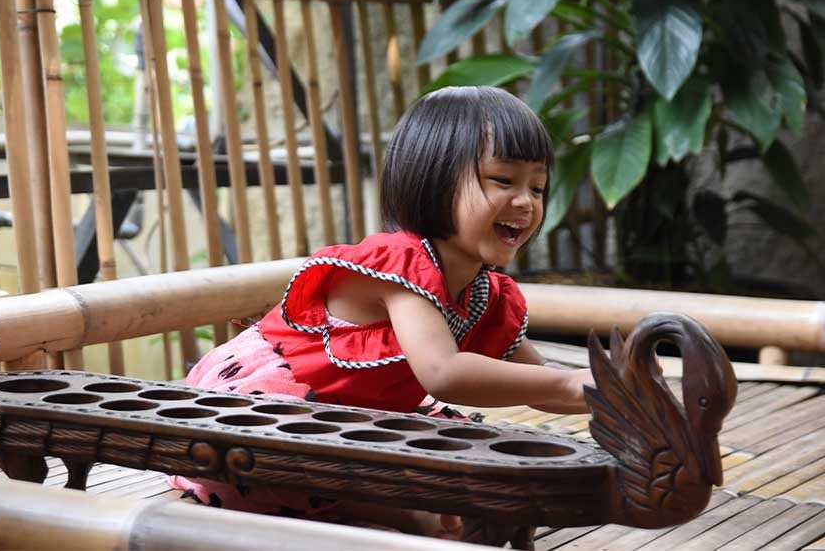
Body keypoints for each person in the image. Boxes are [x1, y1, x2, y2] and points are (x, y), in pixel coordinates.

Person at [168, 86, 594, 538]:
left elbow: (540, 384)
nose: (526, 202)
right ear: (434, 181)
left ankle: (433, 514)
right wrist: (574, 382)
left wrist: (614, 391)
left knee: (460, 451)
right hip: (266, 408)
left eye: (538, 186)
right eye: (503, 181)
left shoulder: (486, 294)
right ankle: (423, 518)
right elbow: (444, 374)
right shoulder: (399, 265)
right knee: (296, 465)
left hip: (356, 419)